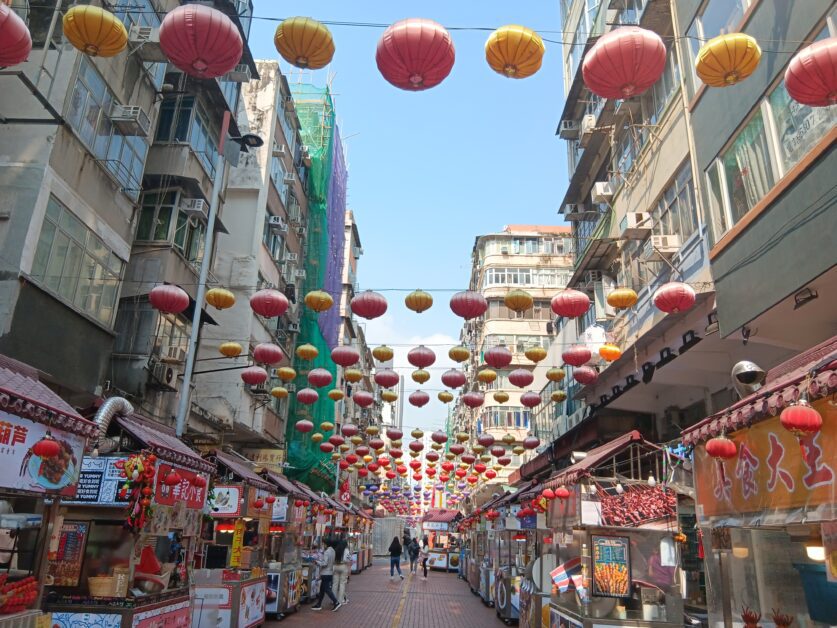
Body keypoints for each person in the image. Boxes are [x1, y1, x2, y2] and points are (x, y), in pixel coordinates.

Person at [312, 539, 341, 611]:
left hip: (325, 573)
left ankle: (336, 602)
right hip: (330, 572)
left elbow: (325, 563)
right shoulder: (333, 551)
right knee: (322, 589)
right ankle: (319, 604)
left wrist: (317, 562)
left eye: (323, 544)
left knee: (327, 589)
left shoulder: (327, 552)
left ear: (326, 544)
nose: (322, 545)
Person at [332, 536, 351, 606]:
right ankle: (341, 600)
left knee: (335, 584)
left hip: (335, 566)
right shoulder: (346, 550)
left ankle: (333, 600)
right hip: (343, 566)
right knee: (342, 584)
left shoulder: (335, 549)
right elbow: (348, 559)